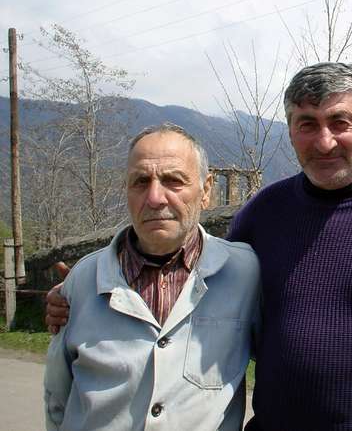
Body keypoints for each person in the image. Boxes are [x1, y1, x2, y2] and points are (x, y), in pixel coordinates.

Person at [47, 63, 352, 431]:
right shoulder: (264, 213)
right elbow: (200, 289)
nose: (324, 141)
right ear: (289, 130)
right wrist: (88, 296)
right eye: (307, 124)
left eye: (340, 122)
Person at [44, 123, 260, 431]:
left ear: (206, 190)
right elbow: (57, 397)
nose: (155, 197)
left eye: (174, 181)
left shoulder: (244, 273)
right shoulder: (83, 281)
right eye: (141, 182)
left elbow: (286, 356)